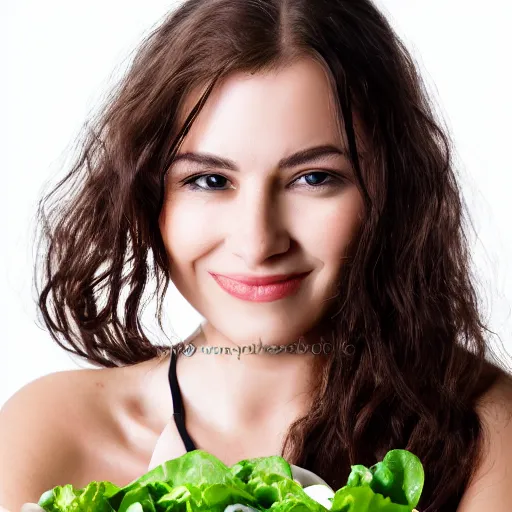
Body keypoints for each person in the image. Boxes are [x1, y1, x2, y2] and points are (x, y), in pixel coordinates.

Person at [1, 0, 511, 510]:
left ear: (393, 191)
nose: (258, 242)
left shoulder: (485, 434)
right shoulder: (51, 430)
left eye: (313, 178)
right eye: (209, 180)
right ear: (147, 194)